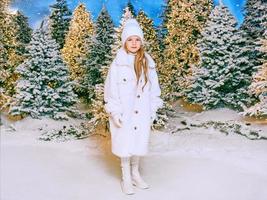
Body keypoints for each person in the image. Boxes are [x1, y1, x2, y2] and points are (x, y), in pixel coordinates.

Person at [103, 18, 163, 195]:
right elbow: (110, 91)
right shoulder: (117, 64)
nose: (134, 43)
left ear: (141, 42)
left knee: (137, 143)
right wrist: (115, 112)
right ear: (124, 42)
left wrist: (152, 111)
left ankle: (135, 174)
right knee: (125, 144)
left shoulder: (148, 64)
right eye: (130, 39)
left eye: (137, 39)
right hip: (124, 113)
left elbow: (154, 91)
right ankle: (126, 177)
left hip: (142, 113)